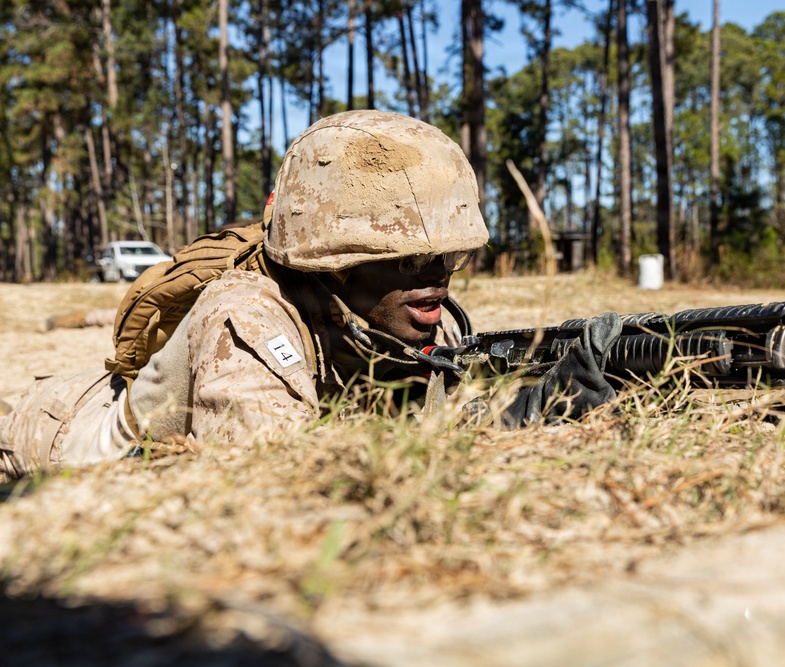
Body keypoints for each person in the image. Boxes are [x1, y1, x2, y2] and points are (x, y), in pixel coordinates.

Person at [0, 110, 621, 483]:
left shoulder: (415, 322)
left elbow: (422, 424)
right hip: (49, 436)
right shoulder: (246, 317)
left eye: (450, 257)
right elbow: (275, 480)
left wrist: (528, 407)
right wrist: (505, 435)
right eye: (405, 259)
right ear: (336, 266)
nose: (438, 276)